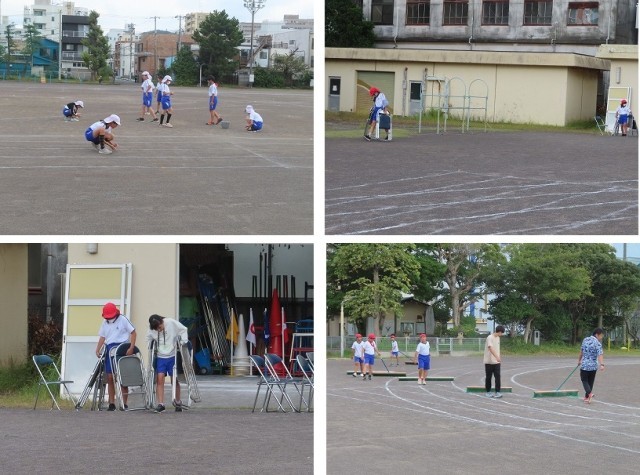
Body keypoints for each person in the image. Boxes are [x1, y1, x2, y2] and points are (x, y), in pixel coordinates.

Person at [95, 302, 137, 411]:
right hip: (110, 349)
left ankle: (124, 403)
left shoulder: (122, 319)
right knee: (110, 377)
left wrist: (131, 347)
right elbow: (102, 336)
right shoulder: (105, 322)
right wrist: (97, 348)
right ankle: (111, 403)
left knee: (122, 377)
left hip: (121, 347)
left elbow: (133, 332)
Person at [146, 314, 189, 412]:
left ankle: (178, 402)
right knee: (160, 379)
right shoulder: (152, 329)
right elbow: (148, 339)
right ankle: (161, 404)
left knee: (174, 380)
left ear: (161, 322)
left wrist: (182, 342)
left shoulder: (170, 322)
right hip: (161, 356)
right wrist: (151, 345)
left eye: (160, 327)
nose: (159, 330)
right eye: (157, 329)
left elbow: (183, 329)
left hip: (172, 355)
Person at [578, 327, 605, 404]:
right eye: (601, 336)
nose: (601, 337)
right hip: (593, 366)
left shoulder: (585, 340)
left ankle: (589, 394)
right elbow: (600, 354)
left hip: (585, 365)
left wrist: (579, 360)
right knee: (590, 381)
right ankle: (587, 397)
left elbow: (581, 351)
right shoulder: (598, 343)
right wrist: (602, 364)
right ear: (597, 334)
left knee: (584, 380)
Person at [483, 325, 505, 398]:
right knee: (488, 377)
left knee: (498, 377)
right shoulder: (490, 337)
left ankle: (498, 392)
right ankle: (488, 392)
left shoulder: (498, 338)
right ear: (499, 331)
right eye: (501, 333)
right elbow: (490, 348)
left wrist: (498, 358)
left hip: (496, 362)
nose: (501, 335)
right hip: (489, 361)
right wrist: (497, 357)